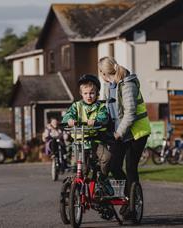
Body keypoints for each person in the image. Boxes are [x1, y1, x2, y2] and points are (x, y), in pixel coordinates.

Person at [98, 56, 151, 217]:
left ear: (103, 72)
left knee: (130, 167)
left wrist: (118, 133)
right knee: (114, 165)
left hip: (136, 133)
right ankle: (126, 196)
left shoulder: (128, 84)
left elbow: (130, 113)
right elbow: (108, 109)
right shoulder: (109, 85)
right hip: (119, 134)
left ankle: (132, 205)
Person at [61, 74, 113, 195]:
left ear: (97, 93)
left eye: (91, 93)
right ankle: (79, 190)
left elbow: (104, 117)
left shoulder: (100, 107)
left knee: (107, 157)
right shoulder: (76, 106)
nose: (88, 96)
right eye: (85, 93)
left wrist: (97, 120)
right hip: (80, 142)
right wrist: (69, 120)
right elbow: (68, 115)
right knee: (82, 168)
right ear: (81, 94)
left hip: (96, 140)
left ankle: (103, 178)